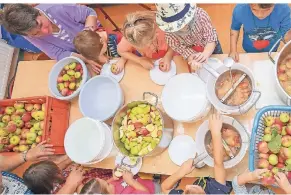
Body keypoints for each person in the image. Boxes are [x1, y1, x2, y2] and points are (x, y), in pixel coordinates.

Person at [0, 4, 103, 73]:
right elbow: (58, 53)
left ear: (38, 12)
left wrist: (88, 36)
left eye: (40, 24)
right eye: (36, 33)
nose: (45, 32)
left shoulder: (57, 8)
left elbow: (89, 13)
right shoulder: (28, 34)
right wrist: (86, 58)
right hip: (79, 52)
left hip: (94, 34)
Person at [161, 114, 232, 194]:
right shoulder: (216, 192)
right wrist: (215, 132)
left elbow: (164, 188)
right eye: (193, 187)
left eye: (184, 191)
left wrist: (181, 172)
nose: (187, 186)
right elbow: (218, 164)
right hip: (222, 180)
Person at [155, 4, 222, 72]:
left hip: (211, 48)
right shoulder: (170, 37)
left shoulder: (201, 15)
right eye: (178, 25)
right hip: (193, 50)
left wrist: (206, 53)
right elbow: (185, 51)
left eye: (185, 20)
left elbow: (211, 39)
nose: (184, 25)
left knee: (219, 62)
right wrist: (193, 60)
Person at [23, 157, 112, 194]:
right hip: (96, 184)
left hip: (92, 172)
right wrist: (77, 183)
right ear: (54, 183)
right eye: (58, 172)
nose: (60, 170)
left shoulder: (50, 178)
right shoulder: (64, 190)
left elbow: (59, 167)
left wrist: (71, 158)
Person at [79, 168, 157, 194]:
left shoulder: (106, 186)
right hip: (153, 188)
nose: (110, 183)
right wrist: (131, 182)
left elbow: (111, 181)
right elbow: (146, 192)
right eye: (108, 184)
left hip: (144, 178)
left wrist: (115, 176)